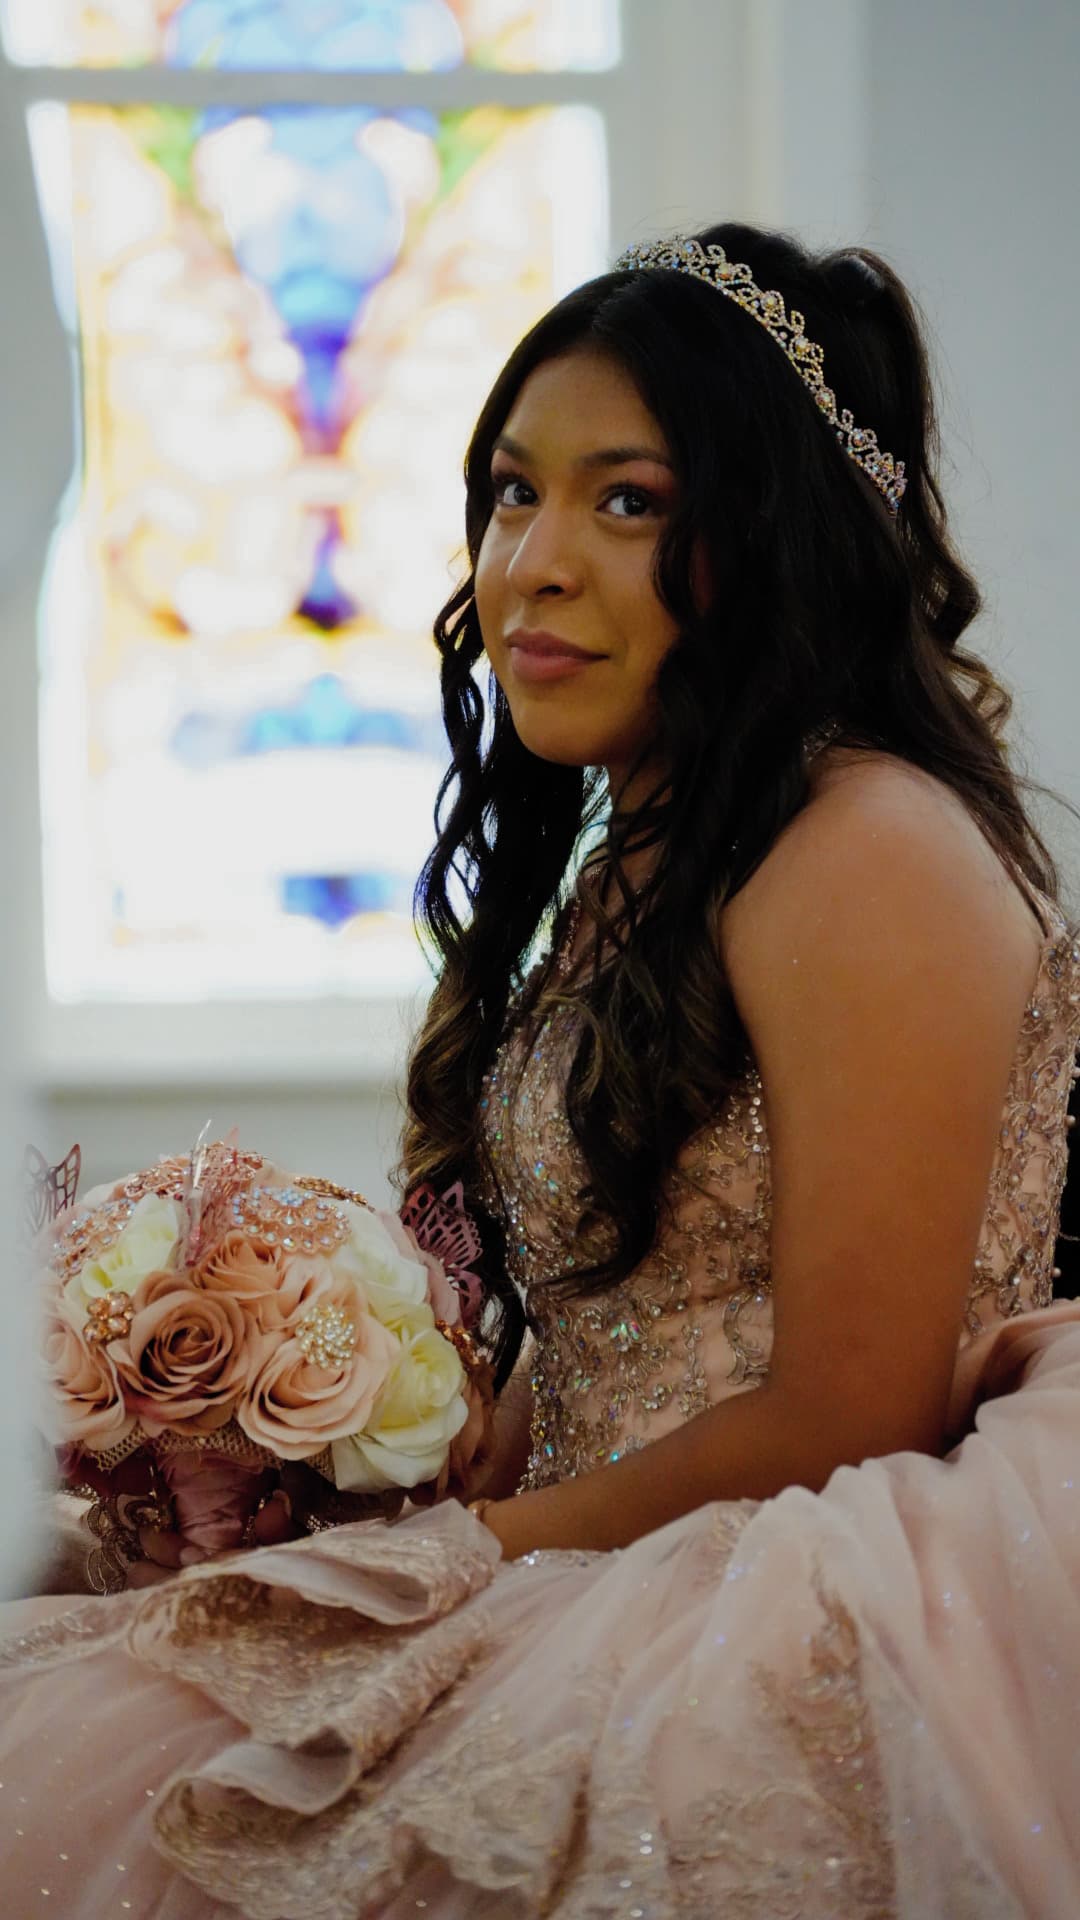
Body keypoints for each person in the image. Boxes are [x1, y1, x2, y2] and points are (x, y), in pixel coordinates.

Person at [2, 221, 1080, 1918]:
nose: (536, 564)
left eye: (628, 502)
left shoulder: (870, 851)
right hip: (611, 1549)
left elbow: (852, 1407)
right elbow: (620, 1318)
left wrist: (444, 1559)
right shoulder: (654, 857)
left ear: (775, 537)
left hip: (783, 1593)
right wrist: (343, 1449)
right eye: (514, 492)